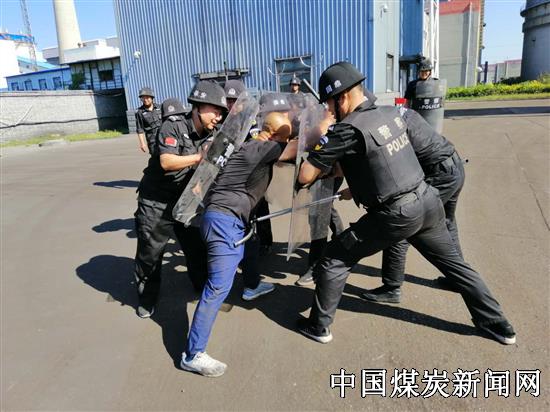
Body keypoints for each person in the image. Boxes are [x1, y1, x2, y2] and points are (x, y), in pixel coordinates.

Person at [296, 61, 516, 346]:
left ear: (343, 97)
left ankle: (318, 327)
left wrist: (325, 132)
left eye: (329, 104)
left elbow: (305, 175)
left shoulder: (344, 130)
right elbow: (380, 160)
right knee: (455, 265)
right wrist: (356, 187)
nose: (328, 110)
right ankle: (498, 325)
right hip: (427, 201)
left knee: (334, 258)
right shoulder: (391, 114)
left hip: (395, 214)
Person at [180, 111, 298, 377]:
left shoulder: (248, 146)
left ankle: (252, 286)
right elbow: (298, 148)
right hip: (225, 222)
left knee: (248, 248)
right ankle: (192, 354)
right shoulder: (264, 147)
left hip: (222, 218)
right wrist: (323, 122)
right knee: (217, 288)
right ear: (276, 134)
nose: (287, 140)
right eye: (285, 135)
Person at [133, 81, 227, 318]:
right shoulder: (173, 126)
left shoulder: (213, 133)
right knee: (151, 252)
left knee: (196, 248)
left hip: (186, 199)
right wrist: (198, 157)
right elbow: (167, 162)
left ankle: (202, 287)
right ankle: (147, 298)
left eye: (221, 113)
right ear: (197, 107)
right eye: (215, 111)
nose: (218, 117)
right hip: (156, 202)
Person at [363, 107, 465, 302]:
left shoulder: (386, 127)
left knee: (401, 229)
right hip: (454, 166)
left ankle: (392, 288)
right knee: (448, 223)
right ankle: (457, 279)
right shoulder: (401, 114)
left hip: (438, 174)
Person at [135, 87, 162, 154]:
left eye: (147, 97)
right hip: (152, 140)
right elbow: (140, 129)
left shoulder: (160, 107)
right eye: (143, 98)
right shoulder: (140, 112)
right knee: (155, 158)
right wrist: (142, 143)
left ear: (152, 97)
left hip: (164, 136)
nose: (145, 100)